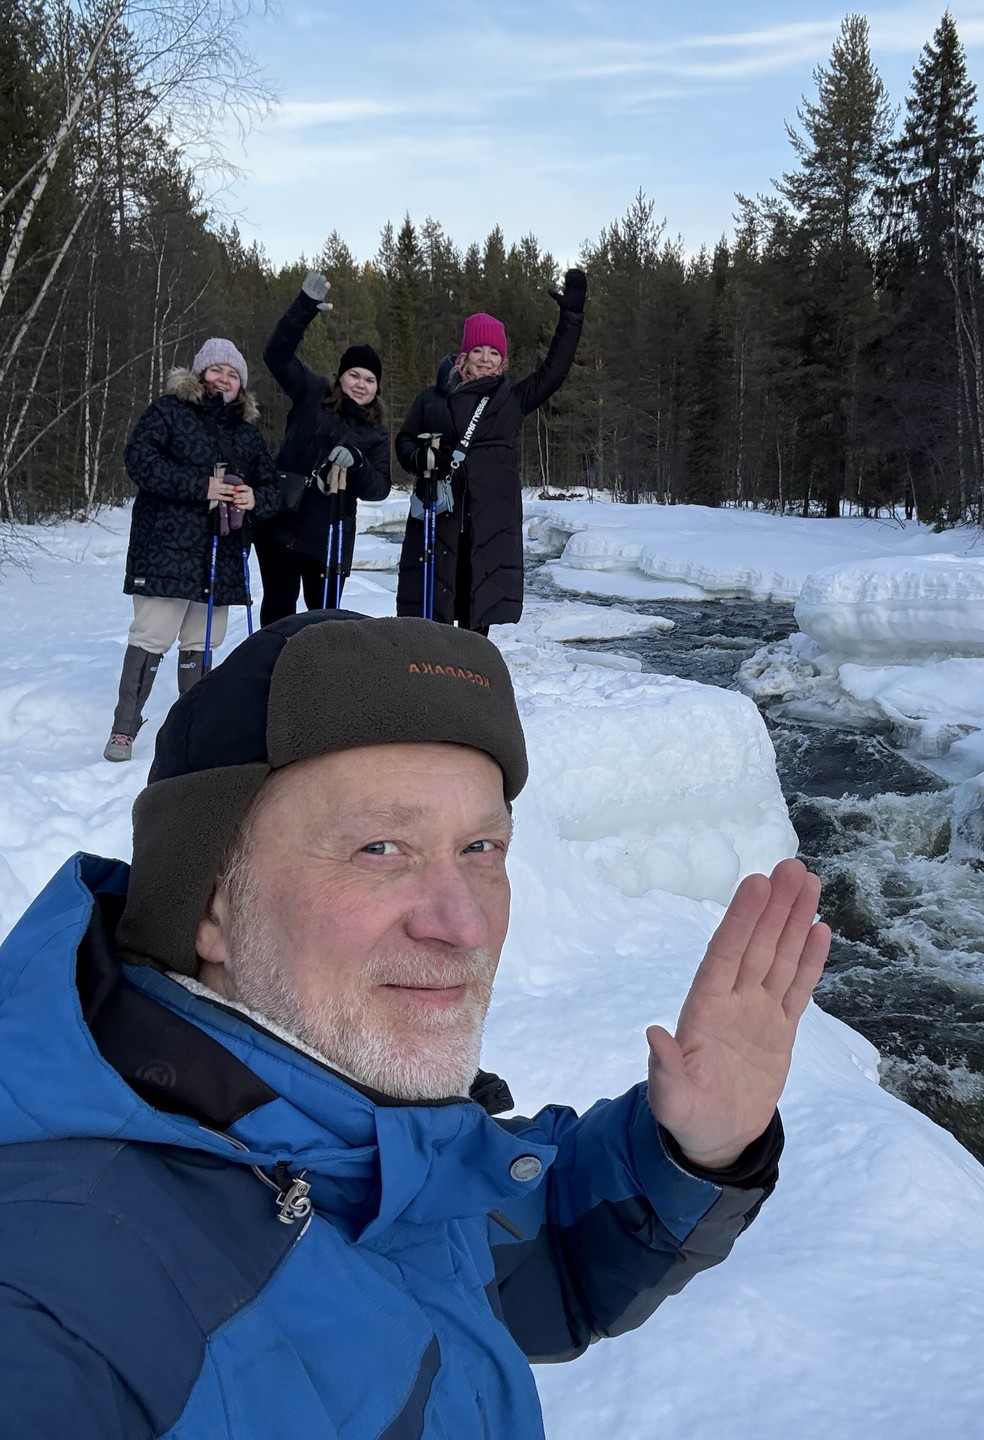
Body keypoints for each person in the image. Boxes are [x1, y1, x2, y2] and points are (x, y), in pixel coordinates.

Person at [0, 611, 830, 1437]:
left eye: (480, 849)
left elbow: (517, 1264)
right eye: (381, 849)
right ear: (210, 901)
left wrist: (692, 1153)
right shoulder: (60, 1306)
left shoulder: (355, 1150)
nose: (462, 925)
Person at [104, 338, 280, 763]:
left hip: (220, 556)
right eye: (217, 370)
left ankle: (192, 726)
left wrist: (254, 499)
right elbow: (139, 461)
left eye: (233, 374)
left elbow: (273, 489)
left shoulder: (249, 435)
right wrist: (200, 487)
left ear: (242, 385)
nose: (224, 379)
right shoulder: (168, 412)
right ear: (200, 374)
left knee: (201, 642)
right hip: (165, 549)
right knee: (151, 636)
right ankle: (124, 730)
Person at [396, 270, 587, 633]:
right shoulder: (432, 399)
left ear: (503, 362)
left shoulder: (511, 400)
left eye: (494, 352)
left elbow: (555, 371)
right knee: (430, 622)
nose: (486, 358)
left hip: (488, 529)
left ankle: (470, 687)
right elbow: (404, 443)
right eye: (478, 350)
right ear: (463, 356)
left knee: (476, 622)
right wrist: (420, 458)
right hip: (440, 526)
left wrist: (571, 319)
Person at [255, 270, 391, 625]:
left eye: (370, 379)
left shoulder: (375, 433)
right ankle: (271, 676)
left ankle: (317, 681)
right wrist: (303, 308)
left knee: (323, 623)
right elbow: (276, 355)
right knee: (279, 614)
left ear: (378, 387)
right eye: (354, 375)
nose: (361, 384)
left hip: (330, 536)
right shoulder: (312, 392)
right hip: (282, 525)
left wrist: (358, 462)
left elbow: (380, 488)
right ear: (341, 375)